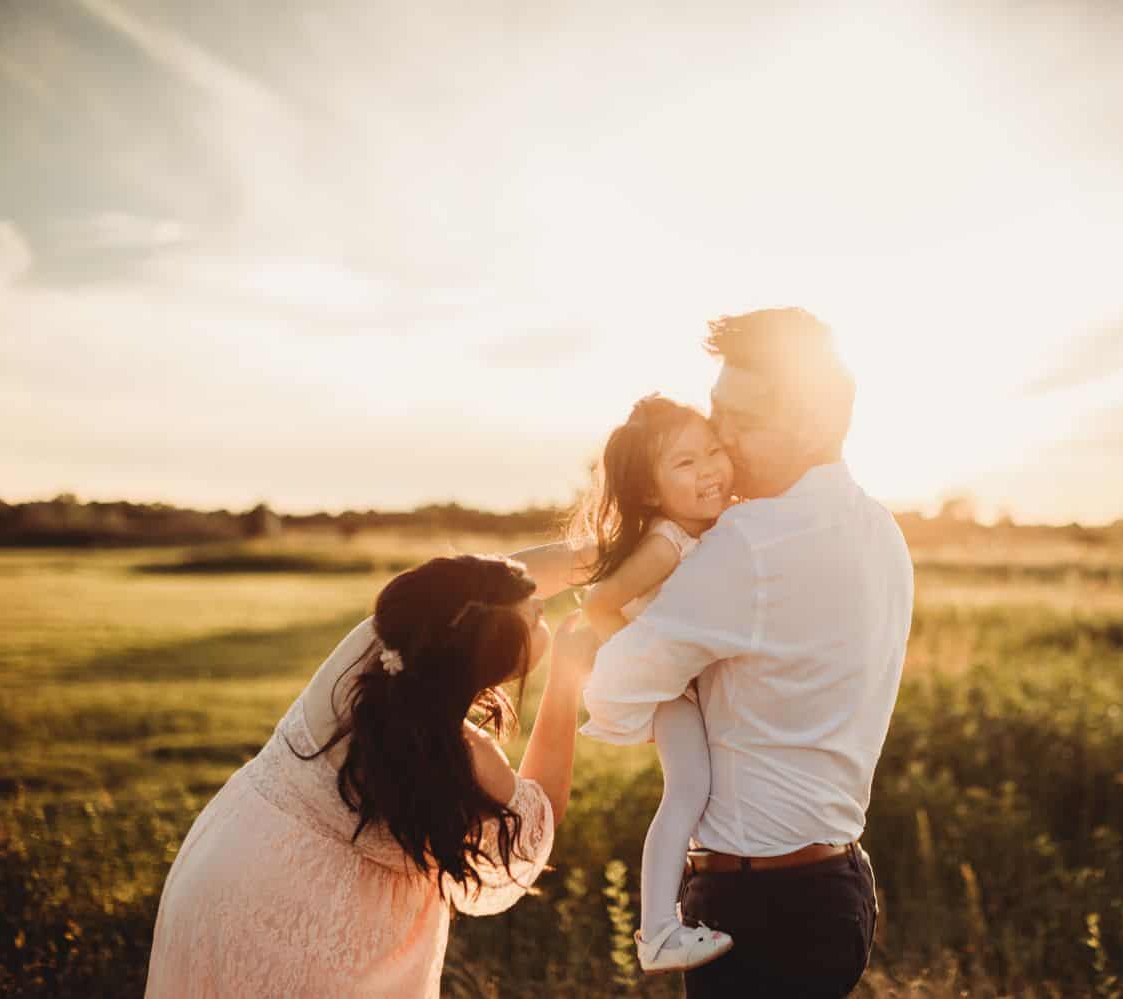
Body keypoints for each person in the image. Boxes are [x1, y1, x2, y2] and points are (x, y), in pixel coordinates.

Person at [581, 307, 915, 997]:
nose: (720, 440)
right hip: (841, 890)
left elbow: (611, 693)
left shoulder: (751, 543)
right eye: (715, 413)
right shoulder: (881, 529)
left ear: (815, 422)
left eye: (742, 421)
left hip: (760, 909)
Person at [145, 554, 599, 998]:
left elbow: (498, 578)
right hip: (337, 941)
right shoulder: (468, 761)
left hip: (233, 869)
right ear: (494, 658)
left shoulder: (375, 649)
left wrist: (619, 543)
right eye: (534, 619)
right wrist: (566, 675)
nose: (540, 605)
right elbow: (540, 811)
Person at [570, 393, 737, 974]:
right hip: (670, 688)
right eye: (685, 464)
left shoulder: (719, 526)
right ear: (649, 491)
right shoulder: (669, 540)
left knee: (696, 790)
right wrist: (650, 676)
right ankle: (659, 931)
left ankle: (668, 923)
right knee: (687, 792)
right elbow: (601, 604)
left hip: (679, 684)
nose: (709, 469)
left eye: (713, 451)